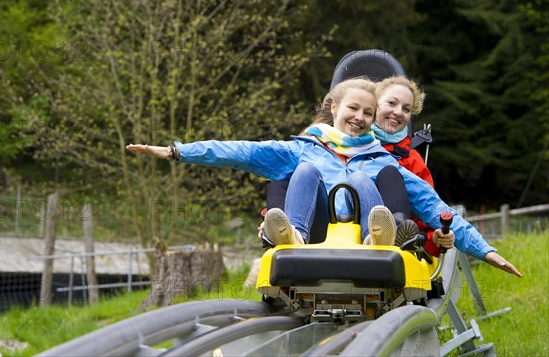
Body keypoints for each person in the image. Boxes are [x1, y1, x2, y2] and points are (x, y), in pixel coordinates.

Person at [126, 78, 521, 277]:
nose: (360, 118)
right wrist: (178, 151)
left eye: (367, 114)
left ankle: (377, 237)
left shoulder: (383, 159)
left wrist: (485, 250)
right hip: (317, 232)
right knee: (306, 170)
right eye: (354, 109)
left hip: (364, 235)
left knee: (371, 179)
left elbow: (434, 206)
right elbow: (241, 151)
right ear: (334, 107)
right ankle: (289, 236)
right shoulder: (304, 147)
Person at [372, 76, 452, 256]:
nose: (398, 112)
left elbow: (427, 207)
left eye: (406, 109)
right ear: (375, 104)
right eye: (391, 103)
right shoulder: (350, 145)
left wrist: (434, 238)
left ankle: (397, 234)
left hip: (398, 241)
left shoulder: (412, 161)